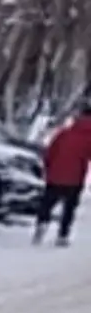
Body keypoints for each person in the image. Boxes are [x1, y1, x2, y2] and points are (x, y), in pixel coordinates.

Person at [33, 99, 91, 246]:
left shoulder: (64, 133)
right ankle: (62, 235)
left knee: (47, 203)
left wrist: (48, 168)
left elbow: (50, 152)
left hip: (55, 174)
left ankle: (41, 224)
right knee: (69, 207)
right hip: (75, 177)